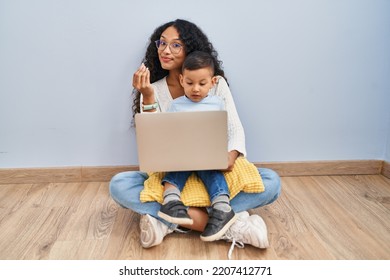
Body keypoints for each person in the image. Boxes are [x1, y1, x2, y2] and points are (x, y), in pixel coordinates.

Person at [109, 19, 281, 255]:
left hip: (215, 171)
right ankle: (227, 224)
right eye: (162, 43)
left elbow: (234, 129)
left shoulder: (215, 83)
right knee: (119, 185)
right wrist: (147, 96)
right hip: (173, 176)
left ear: (190, 49)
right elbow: (153, 142)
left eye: (176, 45)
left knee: (271, 181)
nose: (165, 50)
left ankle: (170, 222)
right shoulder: (153, 89)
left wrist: (229, 157)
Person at [158, 51, 236, 242]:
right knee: (176, 170)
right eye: (190, 83)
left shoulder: (218, 103)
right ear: (182, 79)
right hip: (183, 155)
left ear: (213, 82)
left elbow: (223, 131)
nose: (195, 89)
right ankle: (171, 202)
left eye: (202, 84)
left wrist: (223, 153)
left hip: (208, 155)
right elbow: (169, 133)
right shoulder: (176, 106)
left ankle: (222, 208)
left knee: (212, 173)